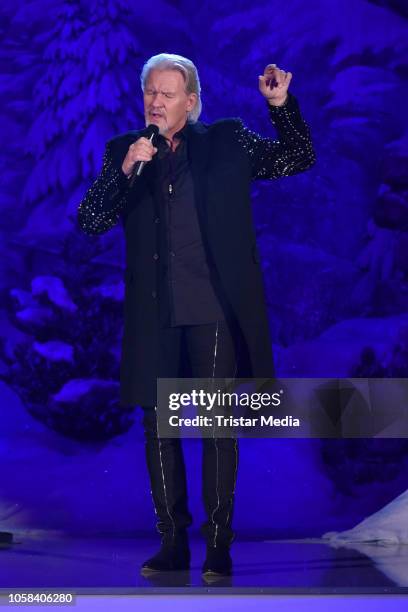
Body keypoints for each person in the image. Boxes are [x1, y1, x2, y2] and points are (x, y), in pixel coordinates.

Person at [77, 53, 315, 577]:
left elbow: (296, 157)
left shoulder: (227, 140)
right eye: (150, 93)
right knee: (158, 428)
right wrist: (122, 173)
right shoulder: (125, 151)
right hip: (154, 314)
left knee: (214, 428)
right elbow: (90, 220)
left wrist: (281, 106)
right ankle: (172, 542)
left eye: (167, 94)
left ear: (191, 101)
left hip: (211, 310)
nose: (157, 102)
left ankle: (219, 545)